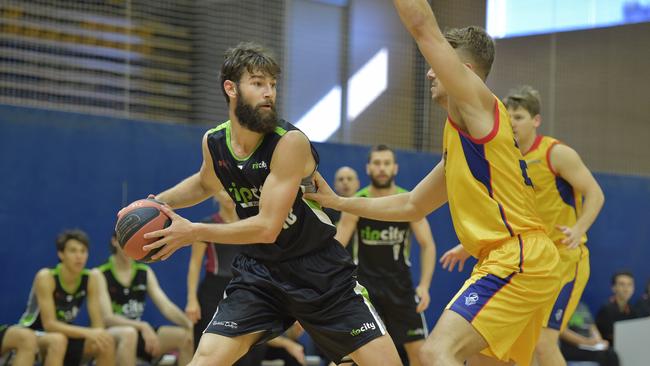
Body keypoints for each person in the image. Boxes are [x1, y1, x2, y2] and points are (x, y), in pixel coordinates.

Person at [305, 1, 563, 365]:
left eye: (436, 65)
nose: (429, 73)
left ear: (465, 73)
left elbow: (423, 26)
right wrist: (337, 202)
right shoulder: (465, 137)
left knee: (436, 352)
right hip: (521, 260)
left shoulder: (478, 104)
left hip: (516, 258)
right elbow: (412, 205)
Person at [133, 42, 402, 366]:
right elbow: (206, 182)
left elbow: (267, 227)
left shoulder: (289, 143)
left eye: (272, 85)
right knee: (205, 359)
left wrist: (193, 232)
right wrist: (159, 202)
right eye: (258, 83)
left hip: (319, 271)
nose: (268, 93)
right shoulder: (215, 142)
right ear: (230, 88)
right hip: (260, 273)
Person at [335, 144, 436, 366]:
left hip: (401, 289)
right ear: (368, 168)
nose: (382, 168)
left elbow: (427, 244)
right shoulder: (357, 202)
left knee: (420, 355)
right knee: (350, 357)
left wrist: (425, 286)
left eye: (386, 163)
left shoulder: (407, 201)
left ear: (395, 168)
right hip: (366, 289)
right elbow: (336, 245)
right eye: (377, 163)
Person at [185, 190, 267, 365]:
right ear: (214, 195)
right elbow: (194, 264)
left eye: (230, 190)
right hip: (211, 292)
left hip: (242, 289)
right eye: (222, 190)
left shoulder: (249, 224)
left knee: (245, 349)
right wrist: (191, 299)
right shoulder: (206, 225)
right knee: (209, 348)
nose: (228, 195)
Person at [19, 229, 116, 366]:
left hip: (64, 335)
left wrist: (98, 334)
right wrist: (89, 333)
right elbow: (49, 325)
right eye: (73, 251)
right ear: (61, 254)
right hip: (35, 334)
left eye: (83, 251)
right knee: (57, 340)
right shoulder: (47, 277)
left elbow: (97, 325)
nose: (79, 256)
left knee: (106, 341)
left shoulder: (90, 278)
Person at [96, 232, 194, 365]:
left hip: (140, 332)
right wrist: (142, 326)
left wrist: (189, 325)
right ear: (114, 241)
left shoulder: (144, 272)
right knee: (129, 334)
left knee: (186, 337)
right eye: (124, 242)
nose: (128, 247)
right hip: (115, 334)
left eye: (133, 243)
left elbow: (166, 306)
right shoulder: (100, 274)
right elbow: (108, 318)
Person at [559, 302, 619, 366]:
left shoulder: (582, 306)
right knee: (606, 357)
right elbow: (562, 331)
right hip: (570, 347)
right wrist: (586, 342)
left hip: (588, 346)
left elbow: (592, 327)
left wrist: (599, 341)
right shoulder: (560, 306)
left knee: (611, 353)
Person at [596, 271, 639, 346]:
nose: (626, 289)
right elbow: (608, 336)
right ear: (613, 288)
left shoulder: (633, 310)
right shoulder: (607, 309)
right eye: (622, 284)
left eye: (630, 285)